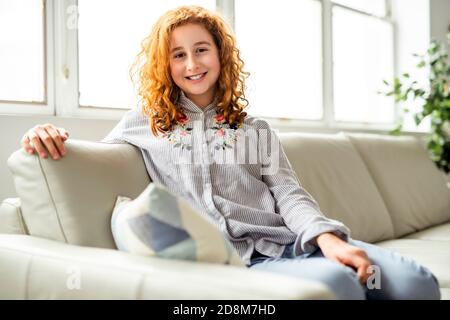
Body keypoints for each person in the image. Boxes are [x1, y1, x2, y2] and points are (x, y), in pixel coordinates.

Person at [20, 5, 440, 300]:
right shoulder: (144, 123)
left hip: (294, 243)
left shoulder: (254, 129)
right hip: (244, 263)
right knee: (341, 287)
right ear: (165, 66)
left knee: (416, 285)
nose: (191, 64)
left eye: (201, 49)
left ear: (220, 54)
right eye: (178, 55)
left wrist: (328, 240)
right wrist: (49, 129)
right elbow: (93, 157)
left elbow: (290, 195)